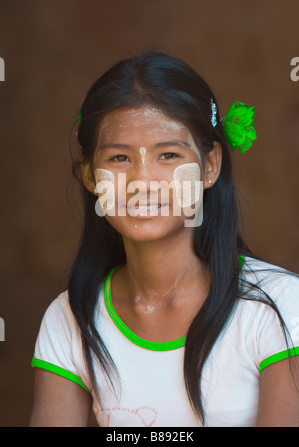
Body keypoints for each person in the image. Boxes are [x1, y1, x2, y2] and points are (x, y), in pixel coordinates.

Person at [29, 51, 299, 427]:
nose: (143, 182)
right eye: (120, 159)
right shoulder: (71, 317)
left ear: (209, 166)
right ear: (90, 175)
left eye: (168, 154)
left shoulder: (279, 307)